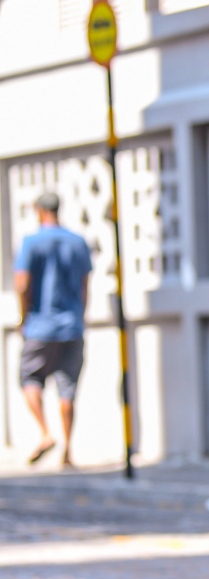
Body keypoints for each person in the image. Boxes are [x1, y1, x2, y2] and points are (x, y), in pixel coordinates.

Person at [13, 191, 91, 467]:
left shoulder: (31, 242)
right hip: (72, 325)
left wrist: (24, 317)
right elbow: (85, 285)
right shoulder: (78, 242)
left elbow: (22, 283)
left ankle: (46, 432)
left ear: (39, 211)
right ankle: (68, 450)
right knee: (67, 388)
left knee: (29, 378)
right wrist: (80, 317)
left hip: (40, 325)